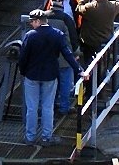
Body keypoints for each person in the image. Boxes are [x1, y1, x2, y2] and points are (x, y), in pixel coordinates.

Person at [18, 9, 85, 146]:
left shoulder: (30, 36)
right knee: (47, 107)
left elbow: (23, 58)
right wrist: (79, 70)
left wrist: (23, 72)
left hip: (32, 75)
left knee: (31, 108)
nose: (31, 24)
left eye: (32, 22)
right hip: (50, 76)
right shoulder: (57, 35)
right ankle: (46, 137)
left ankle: (30, 137)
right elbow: (67, 54)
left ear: (37, 21)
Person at [45, 0, 79, 115]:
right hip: (64, 58)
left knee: (50, 85)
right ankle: (64, 108)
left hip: (48, 58)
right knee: (65, 83)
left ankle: (50, 106)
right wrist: (76, 54)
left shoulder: (43, 17)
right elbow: (73, 39)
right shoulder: (66, 18)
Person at [76, 0, 119, 66]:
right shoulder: (112, 6)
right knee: (104, 61)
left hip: (90, 41)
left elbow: (78, 8)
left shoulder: (89, 7)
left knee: (89, 63)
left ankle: (90, 76)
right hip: (106, 38)